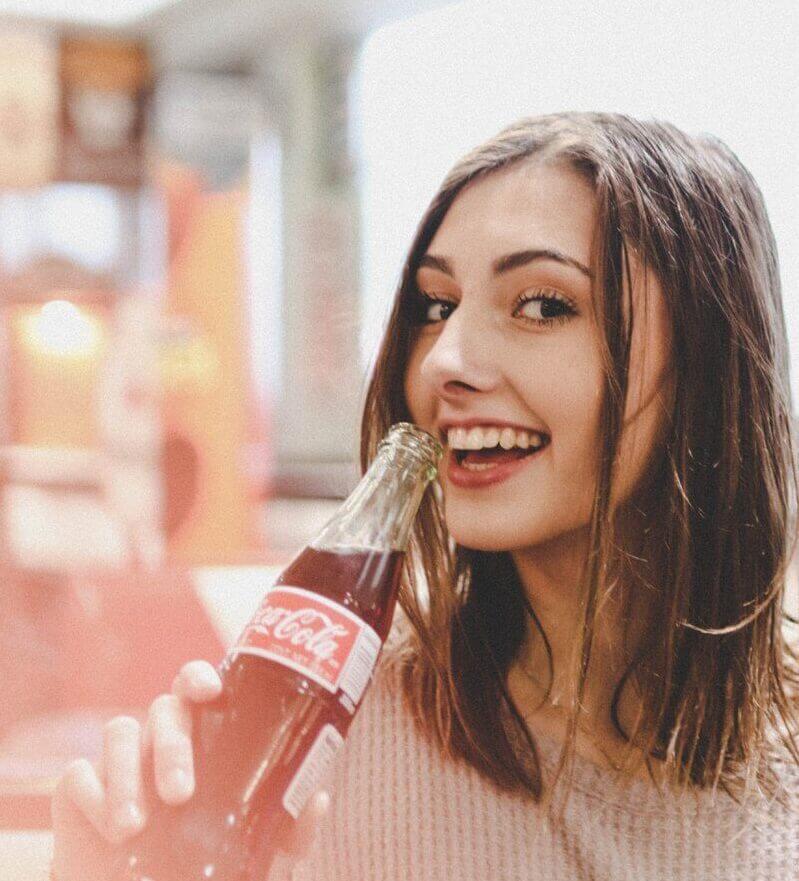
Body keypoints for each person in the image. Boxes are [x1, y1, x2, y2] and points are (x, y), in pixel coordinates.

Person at [51, 111, 799, 880]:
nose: (446, 360)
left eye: (542, 304)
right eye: (436, 305)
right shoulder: (326, 743)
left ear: (707, 361)